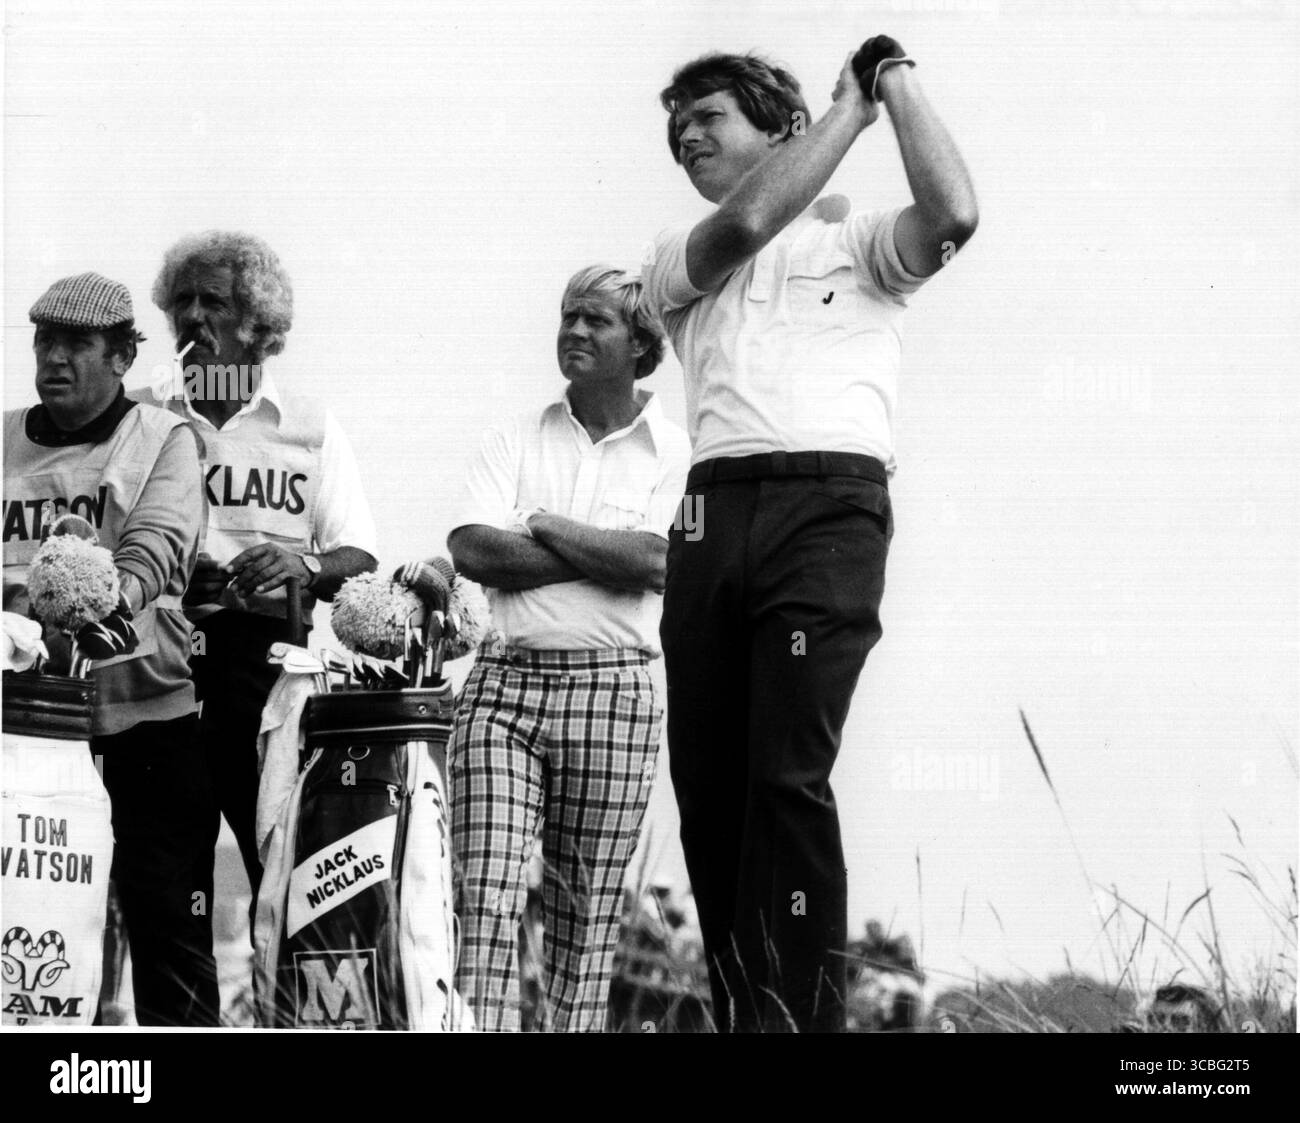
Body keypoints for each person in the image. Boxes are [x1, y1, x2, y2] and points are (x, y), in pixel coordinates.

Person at [640, 40, 979, 1032]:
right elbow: (747, 219)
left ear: (780, 124)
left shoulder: (862, 242)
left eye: (708, 115)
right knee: (709, 789)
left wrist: (895, 80)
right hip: (710, 511)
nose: (686, 136)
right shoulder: (676, 253)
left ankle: (797, 1021)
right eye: (676, 129)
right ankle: (747, 1010)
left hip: (828, 507)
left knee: (786, 771)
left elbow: (954, 213)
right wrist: (848, 113)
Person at [445, 265, 690, 1031]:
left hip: (615, 693)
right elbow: (474, 549)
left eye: (596, 321)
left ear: (642, 343)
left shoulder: (677, 450)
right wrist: (601, 553)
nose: (575, 332)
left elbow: (658, 563)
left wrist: (543, 522)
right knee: (482, 891)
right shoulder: (514, 435)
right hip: (505, 687)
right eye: (567, 317)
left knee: (585, 919)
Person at [3, 272, 220, 1025]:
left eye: (77, 343)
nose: (54, 358)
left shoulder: (165, 437)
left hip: (142, 720)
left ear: (124, 356)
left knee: (169, 932)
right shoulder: (2, 439)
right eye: (44, 341)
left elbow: (152, 555)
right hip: (22, 732)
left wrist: (85, 602)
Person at [149, 231, 378, 896]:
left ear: (260, 325)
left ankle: (279, 1003)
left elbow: (358, 552)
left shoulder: (307, 425)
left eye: (214, 302)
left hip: (265, 665)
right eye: (181, 301)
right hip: (159, 658)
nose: (193, 317)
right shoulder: (143, 415)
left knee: (280, 866)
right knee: (165, 878)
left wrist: (301, 565)